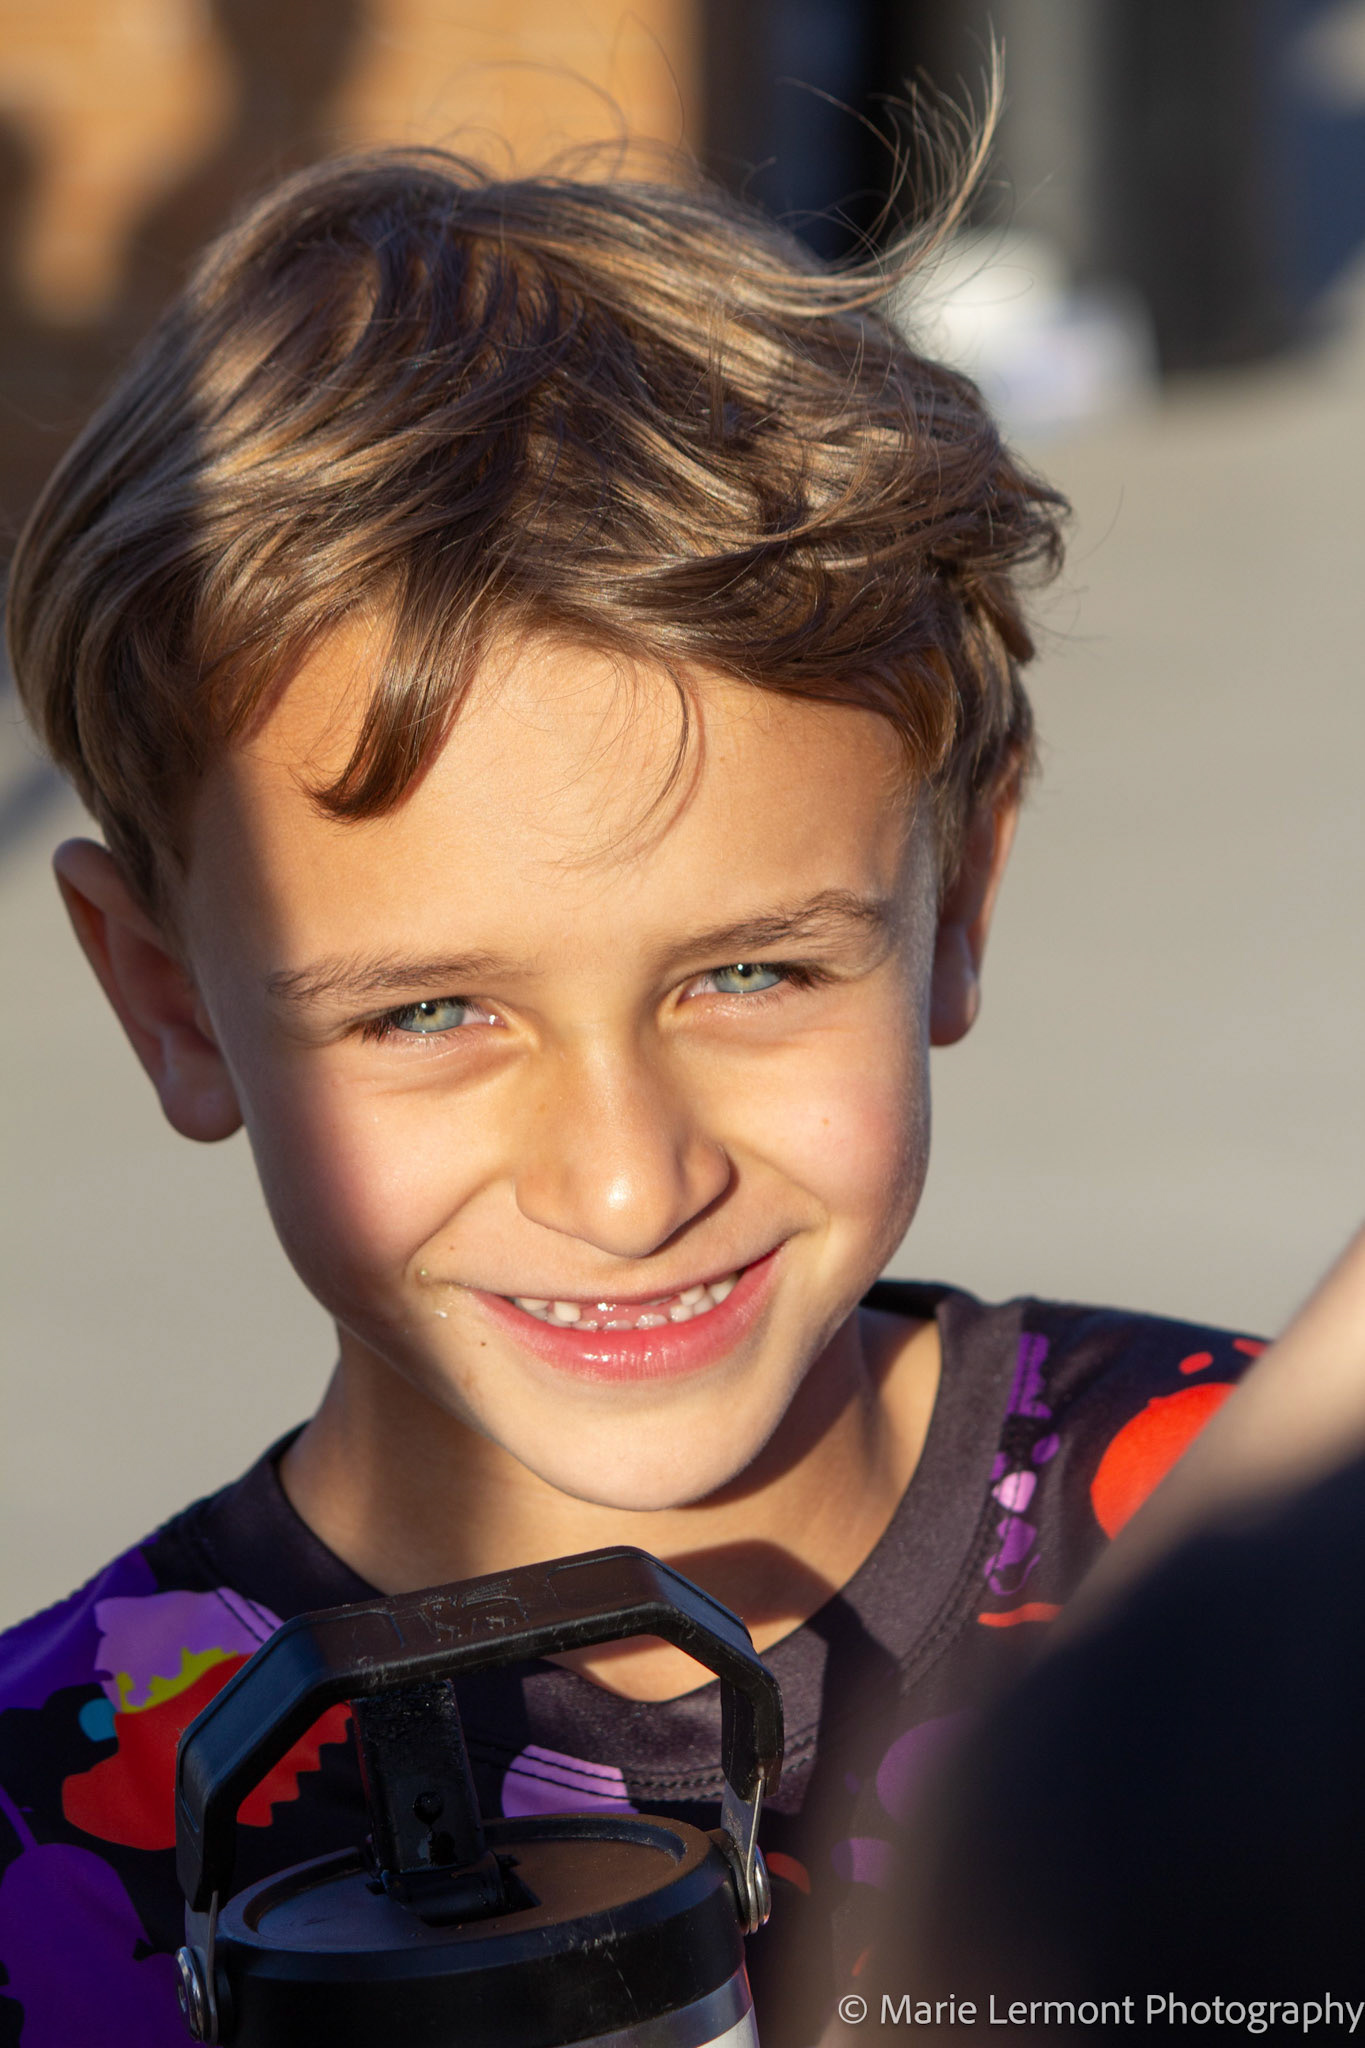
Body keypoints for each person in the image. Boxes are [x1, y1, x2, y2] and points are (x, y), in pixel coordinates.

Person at [0, 139, 1262, 2047]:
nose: (624, 1185)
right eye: (429, 1012)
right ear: (166, 1001)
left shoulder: (1257, 1553)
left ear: (955, 902)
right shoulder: (54, 1819)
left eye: (749, 973)